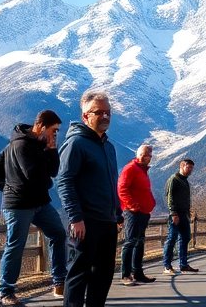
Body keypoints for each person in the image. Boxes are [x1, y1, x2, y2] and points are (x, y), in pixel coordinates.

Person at [0, 110, 67, 306]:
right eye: (53, 130)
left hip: (40, 203)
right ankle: (6, 291)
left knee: (58, 234)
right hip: (19, 206)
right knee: (15, 246)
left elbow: (53, 171)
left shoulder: (42, 145)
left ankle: (59, 281)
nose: (55, 134)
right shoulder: (20, 144)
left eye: (57, 131)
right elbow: (33, 176)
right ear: (40, 126)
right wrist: (9, 190)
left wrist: (51, 149)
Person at [56, 91, 121, 307]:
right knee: (78, 276)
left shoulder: (108, 147)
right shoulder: (76, 144)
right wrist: (75, 218)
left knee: (103, 276)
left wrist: (117, 214)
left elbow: (111, 183)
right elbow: (64, 181)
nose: (105, 116)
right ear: (85, 116)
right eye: (98, 112)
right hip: (84, 223)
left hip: (107, 222)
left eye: (108, 112)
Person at [117, 144, 156, 286]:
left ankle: (137, 273)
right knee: (130, 242)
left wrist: (151, 203)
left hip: (144, 212)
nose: (148, 158)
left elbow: (144, 190)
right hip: (133, 213)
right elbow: (121, 188)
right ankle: (125, 275)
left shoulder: (142, 170)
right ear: (139, 155)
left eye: (150, 155)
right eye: (146, 155)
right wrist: (132, 205)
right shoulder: (130, 169)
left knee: (139, 242)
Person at [162, 157, 198, 275]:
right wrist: (173, 213)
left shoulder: (185, 181)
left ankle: (183, 264)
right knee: (172, 238)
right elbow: (169, 197)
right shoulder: (174, 179)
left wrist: (188, 212)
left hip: (184, 214)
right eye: (188, 167)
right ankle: (167, 266)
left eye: (192, 168)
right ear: (182, 166)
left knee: (185, 238)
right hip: (176, 215)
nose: (191, 170)